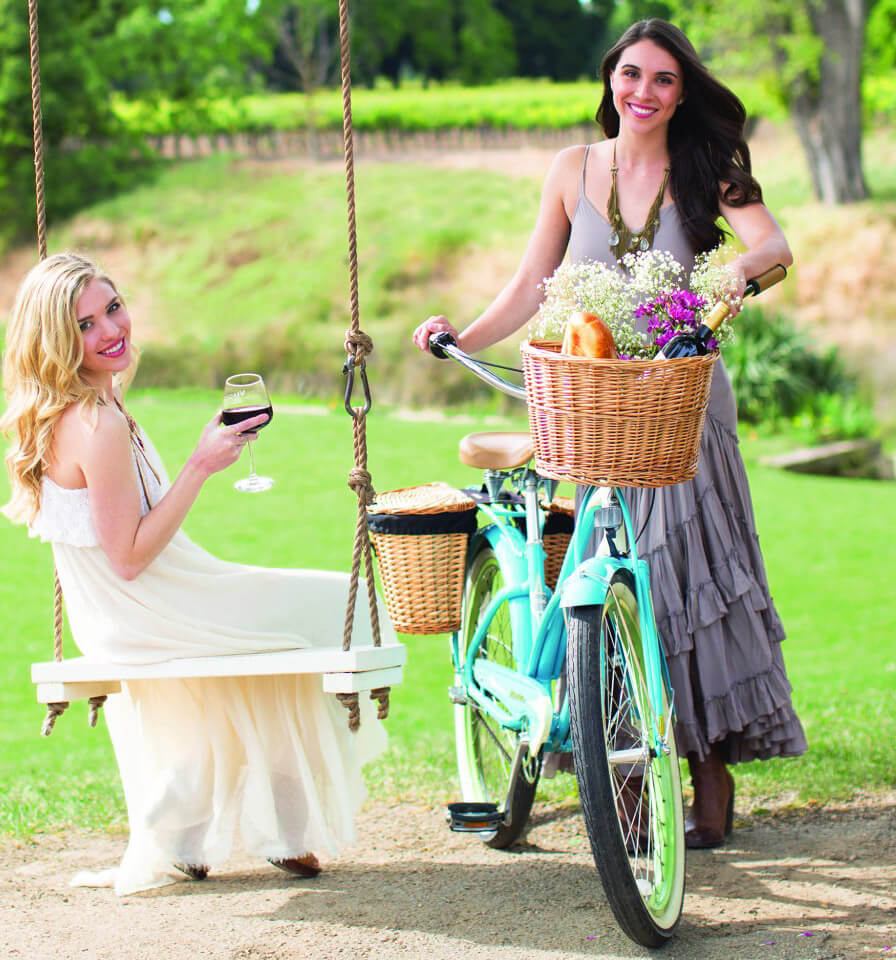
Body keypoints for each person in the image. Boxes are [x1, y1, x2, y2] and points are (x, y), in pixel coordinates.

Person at [413, 18, 807, 848]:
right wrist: (464, 337)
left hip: (684, 405)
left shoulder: (707, 167)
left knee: (686, 583)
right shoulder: (570, 169)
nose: (644, 92)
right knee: (606, 585)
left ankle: (710, 773)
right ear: (610, 79)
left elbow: (773, 247)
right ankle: (621, 769)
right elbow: (533, 283)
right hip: (593, 406)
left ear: (682, 92)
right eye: (632, 74)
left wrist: (722, 280)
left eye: (664, 80)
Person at [2, 252, 390, 894]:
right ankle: (280, 830)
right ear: (56, 341)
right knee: (336, 604)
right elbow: (126, 558)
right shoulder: (94, 424)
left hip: (148, 599)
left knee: (307, 618)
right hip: (147, 606)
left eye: (114, 308)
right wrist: (201, 465)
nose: (110, 330)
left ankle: (217, 834)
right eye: (85, 325)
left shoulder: (95, 406)